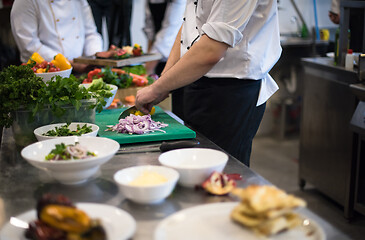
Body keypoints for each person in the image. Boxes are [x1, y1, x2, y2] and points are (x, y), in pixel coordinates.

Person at [135, 0, 282, 166]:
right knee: (189, 164)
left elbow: (211, 48)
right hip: (193, 79)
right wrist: (165, 80)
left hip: (230, 91)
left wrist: (156, 88)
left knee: (221, 173)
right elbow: (188, 27)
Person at [10, 0, 103, 73]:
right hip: (44, 74)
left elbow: (91, 34)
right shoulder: (25, 2)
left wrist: (94, 58)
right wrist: (70, 64)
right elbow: (29, 46)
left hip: (81, 72)